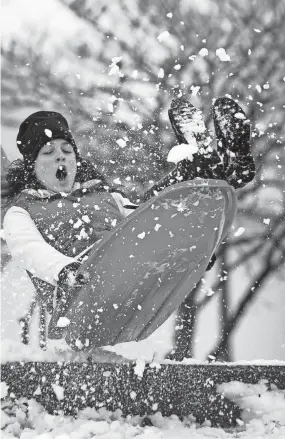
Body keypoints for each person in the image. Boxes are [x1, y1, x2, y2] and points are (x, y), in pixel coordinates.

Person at [3, 96, 255, 341]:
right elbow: (29, 249)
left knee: (152, 206)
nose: (61, 156)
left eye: (67, 150)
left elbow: (145, 222)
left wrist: (192, 243)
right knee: (148, 213)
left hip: (130, 280)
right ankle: (194, 165)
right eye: (48, 152)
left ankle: (210, 169)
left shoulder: (104, 195)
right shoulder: (21, 211)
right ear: (31, 167)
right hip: (79, 303)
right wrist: (62, 270)